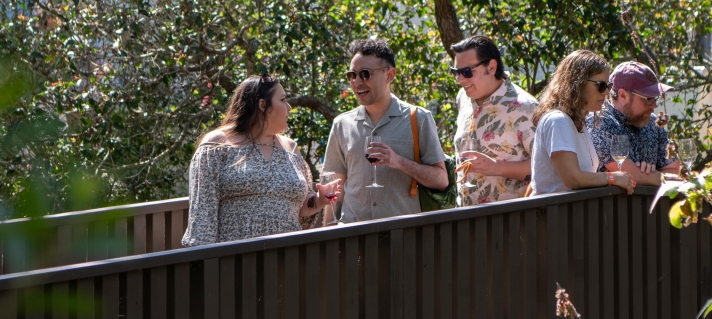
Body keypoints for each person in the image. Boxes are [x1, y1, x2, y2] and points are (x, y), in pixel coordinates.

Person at [182, 75, 341, 247]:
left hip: (287, 256)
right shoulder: (217, 144)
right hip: (235, 259)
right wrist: (203, 263)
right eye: (282, 99)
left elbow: (300, 208)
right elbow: (202, 213)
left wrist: (320, 199)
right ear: (262, 105)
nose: (289, 107)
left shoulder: (291, 148)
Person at [322, 39, 449, 223]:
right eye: (352, 75)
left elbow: (441, 180)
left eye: (365, 74)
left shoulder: (419, 118)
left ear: (389, 75)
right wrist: (327, 232)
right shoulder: (342, 124)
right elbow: (333, 188)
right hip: (353, 238)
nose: (357, 82)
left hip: (403, 238)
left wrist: (398, 161)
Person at [530, 50, 634, 195]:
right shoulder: (558, 120)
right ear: (577, 83)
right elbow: (574, 179)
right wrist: (612, 178)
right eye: (601, 86)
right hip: (553, 215)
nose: (606, 93)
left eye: (608, 86)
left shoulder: (577, 123)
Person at [449, 35, 538, 205]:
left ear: (491, 67)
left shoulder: (526, 107)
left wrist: (496, 168)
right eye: (456, 72)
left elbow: (547, 167)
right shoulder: (463, 98)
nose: (460, 79)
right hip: (465, 219)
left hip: (511, 221)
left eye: (466, 72)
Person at [588, 61, 681, 187]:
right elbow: (628, 173)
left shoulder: (653, 123)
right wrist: (654, 175)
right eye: (648, 99)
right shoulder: (599, 122)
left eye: (655, 98)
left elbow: (675, 170)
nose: (654, 105)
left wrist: (651, 174)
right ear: (623, 95)